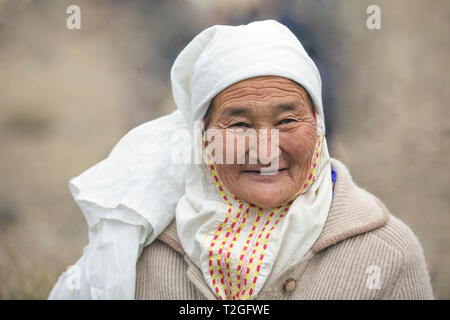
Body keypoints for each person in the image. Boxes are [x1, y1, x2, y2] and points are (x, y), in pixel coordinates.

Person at [49, 20, 433, 300]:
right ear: (203, 136)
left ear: (318, 126)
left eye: (287, 121)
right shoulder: (140, 250)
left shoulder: (387, 253)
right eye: (238, 124)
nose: (265, 150)